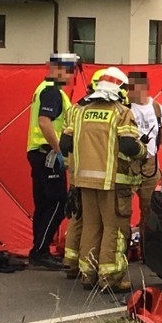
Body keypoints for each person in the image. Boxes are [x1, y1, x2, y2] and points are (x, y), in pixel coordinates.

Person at [60, 67, 146, 292]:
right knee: (114, 228)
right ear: (121, 89)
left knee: (90, 225)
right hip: (113, 183)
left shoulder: (79, 112)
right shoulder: (120, 112)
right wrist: (143, 152)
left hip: (84, 181)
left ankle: (88, 275)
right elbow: (128, 145)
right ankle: (111, 278)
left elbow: (65, 145)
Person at [26, 52, 76, 270]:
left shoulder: (44, 89)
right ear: (55, 69)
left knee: (43, 204)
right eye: (67, 69)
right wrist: (58, 151)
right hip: (47, 154)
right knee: (58, 202)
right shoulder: (52, 92)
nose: (70, 74)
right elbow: (45, 122)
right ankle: (40, 250)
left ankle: (39, 250)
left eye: (71, 70)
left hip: (37, 152)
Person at [62, 69, 105, 279]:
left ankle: (71, 262)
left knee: (78, 216)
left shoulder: (75, 108)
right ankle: (86, 264)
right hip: (94, 170)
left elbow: (65, 143)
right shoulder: (98, 110)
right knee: (93, 221)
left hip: (76, 167)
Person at [127, 71, 162, 252]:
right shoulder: (125, 107)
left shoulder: (158, 109)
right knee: (122, 210)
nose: (129, 91)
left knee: (150, 209)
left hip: (150, 163)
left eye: (132, 87)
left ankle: (146, 250)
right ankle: (123, 250)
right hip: (129, 163)